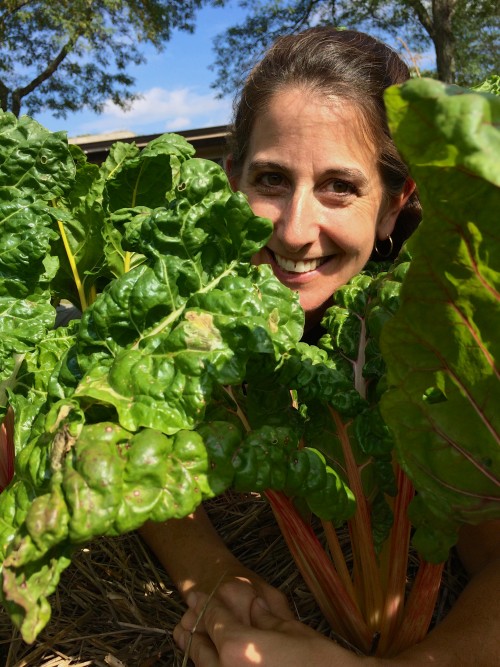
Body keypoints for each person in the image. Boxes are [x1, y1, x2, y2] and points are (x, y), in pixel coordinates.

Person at [139, 27, 500, 666]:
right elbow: (116, 437)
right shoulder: (187, 306)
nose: (296, 229)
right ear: (232, 181)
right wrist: (211, 571)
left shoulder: (443, 336)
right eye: (271, 180)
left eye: (340, 185)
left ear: (394, 204)